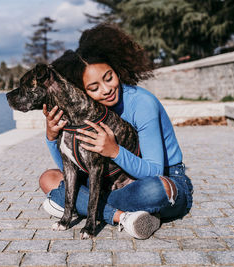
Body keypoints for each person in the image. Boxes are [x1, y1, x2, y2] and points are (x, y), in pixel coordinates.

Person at [39, 23, 193, 239]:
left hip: (162, 177)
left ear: (116, 68)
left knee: (156, 191)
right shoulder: (85, 113)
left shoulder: (142, 103)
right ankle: (123, 216)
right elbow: (70, 168)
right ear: (82, 91)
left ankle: (79, 205)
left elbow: (155, 171)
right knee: (49, 178)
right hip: (107, 182)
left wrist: (114, 151)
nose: (106, 89)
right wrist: (52, 137)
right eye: (93, 88)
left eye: (109, 77)